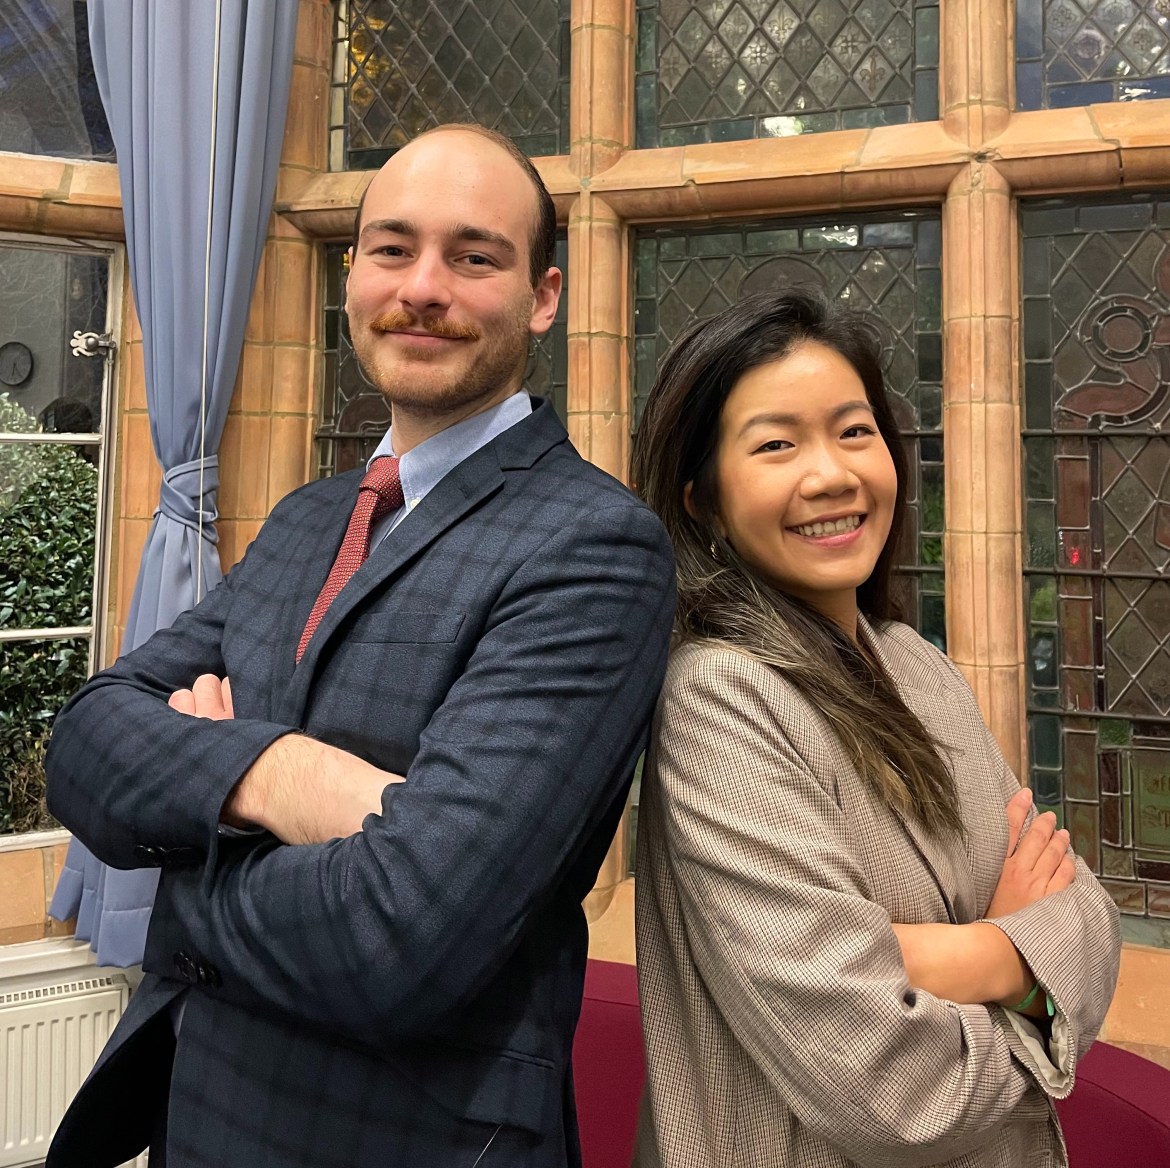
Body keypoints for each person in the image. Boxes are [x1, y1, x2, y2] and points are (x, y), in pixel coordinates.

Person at [44, 123, 675, 1168]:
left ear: (543, 296)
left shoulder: (595, 546)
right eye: (392, 248)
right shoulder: (307, 519)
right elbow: (84, 747)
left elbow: (405, 937)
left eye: (474, 257)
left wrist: (191, 828)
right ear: (352, 275)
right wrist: (286, 775)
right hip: (196, 1119)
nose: (422, 287)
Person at [629, 287, 1120, 1167]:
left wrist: (930, 957)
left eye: (854, 431)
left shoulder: (915, 665)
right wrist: (1028, 968)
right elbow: (898, 1098)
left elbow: (1090, 915)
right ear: (701, 499)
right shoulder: (719, 698)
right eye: (776, 445)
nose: (831, 475)